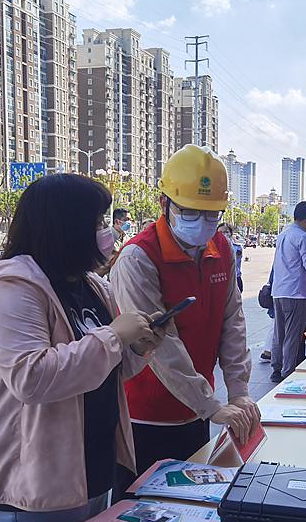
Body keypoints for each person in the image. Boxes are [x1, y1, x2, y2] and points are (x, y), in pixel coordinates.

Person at [0, 175, 165, 522]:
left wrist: (138, 347)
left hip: (87, 473)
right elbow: (32, 378)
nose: (108, 233)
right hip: (30, 490)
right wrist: (114, 336)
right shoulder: (11, 289)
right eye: (97, 223)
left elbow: (108, 368)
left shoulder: (90, 286)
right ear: (65, 226)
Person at [110, 145, 260, 484]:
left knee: (192, 507)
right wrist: (211, 405)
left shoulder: (220, 248)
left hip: (195, 413)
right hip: (145, 417)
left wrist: (238, 390)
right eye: (190, 212)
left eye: (212, 214)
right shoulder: (139, 257)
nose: (203, 223)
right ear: (165, 204)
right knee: (142, 514)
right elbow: (161, 345)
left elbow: (232, 320)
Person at [270, 201, 306, 382]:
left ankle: (276, 367)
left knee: (279, 333)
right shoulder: (303, 237)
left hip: (279, 291)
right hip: (296, 292)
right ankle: (288, 372)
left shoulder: (283, 234)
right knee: (293, 335)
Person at [218, 222, 244, 292]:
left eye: (226, 232)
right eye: (221, 232)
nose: (224, 234)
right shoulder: (212, 248)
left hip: (235, 279)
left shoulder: (237, 248)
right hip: (219, 280)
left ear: (231, 233)